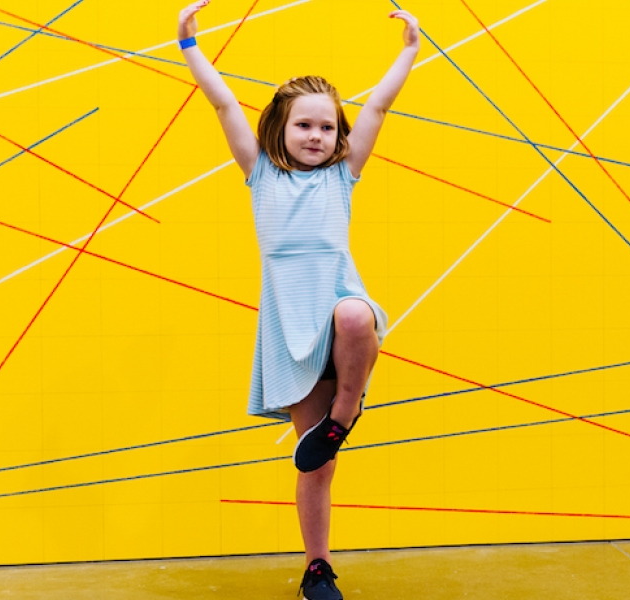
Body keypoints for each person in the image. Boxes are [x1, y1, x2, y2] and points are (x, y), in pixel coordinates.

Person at [177, 3, 419, 598]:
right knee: (316, 464)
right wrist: (189, 46)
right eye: (304, 125)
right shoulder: (262, 174)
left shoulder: (343, 175)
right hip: (292, 329)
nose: (316, 136)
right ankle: (318, 566)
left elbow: (378, 108)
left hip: (339, 311)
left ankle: (345, 413)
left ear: (340, 136)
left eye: (327, 128)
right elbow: (223, 104)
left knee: (357, 313)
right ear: (279, 130)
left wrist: (409, 51)